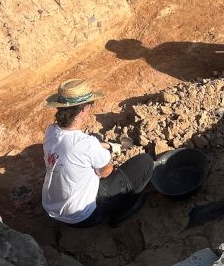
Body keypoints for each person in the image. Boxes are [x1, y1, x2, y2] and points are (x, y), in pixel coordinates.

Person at [42, 78, 154, 228]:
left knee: (95, 139)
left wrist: (106, 146)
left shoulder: (51, 131)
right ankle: (122, 212)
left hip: (52, 207)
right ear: (83, 109)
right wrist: (104, 155)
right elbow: (105, 173)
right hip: (83, 217)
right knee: (145, 162)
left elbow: (78, 148)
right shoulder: (87, 144)